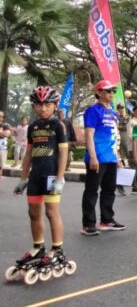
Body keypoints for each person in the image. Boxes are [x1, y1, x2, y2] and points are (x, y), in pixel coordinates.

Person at [10, 87, 73, 283]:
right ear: (34, 106)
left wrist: (60, 178)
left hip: (51, 175)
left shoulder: (59, 126)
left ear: (54, 106)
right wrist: (23, 177)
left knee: (51, 212)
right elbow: (28, 154)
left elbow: (63, 153)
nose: (43, 108)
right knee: (33, 213)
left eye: (47, 104)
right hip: (36, 176)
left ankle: (57, 249)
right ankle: (38, 247)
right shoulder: (33, 127)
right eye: (39, 105)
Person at [81, 80, 126, 236]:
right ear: (99, 92)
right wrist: (93, 157)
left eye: (112, 91)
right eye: (107, 91)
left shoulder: (113, 112)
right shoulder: (93, 111)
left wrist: (118, 157)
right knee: (92, 191)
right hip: (98, 157)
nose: (111, 94)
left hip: (111, 157)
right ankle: (88, 224)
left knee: (109, 190)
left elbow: (115, 136)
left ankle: (107, 220)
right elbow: (89, 134)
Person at [0, 110, 11, 180]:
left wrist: (2, 133)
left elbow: (6, 134)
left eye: (1, 116)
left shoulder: (6, 125)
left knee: (0, 167)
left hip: (2, 149)